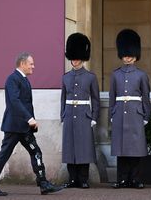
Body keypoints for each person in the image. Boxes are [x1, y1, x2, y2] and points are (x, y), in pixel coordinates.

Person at [0, 52, 63, 196]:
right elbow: (15, 102)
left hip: (24, 128)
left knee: (36, 152)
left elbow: (26, 104)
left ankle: (43, 184)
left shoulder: (24, 79)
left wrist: (31, 122)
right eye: (31, 64)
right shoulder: (12, 79)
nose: (33, 66)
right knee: (4, 155)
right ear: (22, 64)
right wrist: (29, 119)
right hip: (14, 127)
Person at [109, 29, 151, 189]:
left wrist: (146, 116)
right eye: (124, 53)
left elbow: (146, 97)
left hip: (135, 114)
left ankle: (135, 179)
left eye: (129, 53)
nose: (126, 56)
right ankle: (122, 179)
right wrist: (112, 114)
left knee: (135, 149)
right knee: (121, 149)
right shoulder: (115, 74)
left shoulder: (141, 75)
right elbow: (113, 97)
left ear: (135, 54)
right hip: (119, 113)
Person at [61, 33, 100, 189]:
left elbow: (95, 99)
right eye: (73, 58)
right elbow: (63, 98)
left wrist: (94, 117)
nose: (75, 60)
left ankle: (83, 179)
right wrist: (62, 115)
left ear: (82, 58)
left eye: (78, 58)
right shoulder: (65, 77)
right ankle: (72, 179)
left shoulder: (90, 77)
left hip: (84, 114)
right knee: (70, 148)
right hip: (70, 113)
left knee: (84, 148)